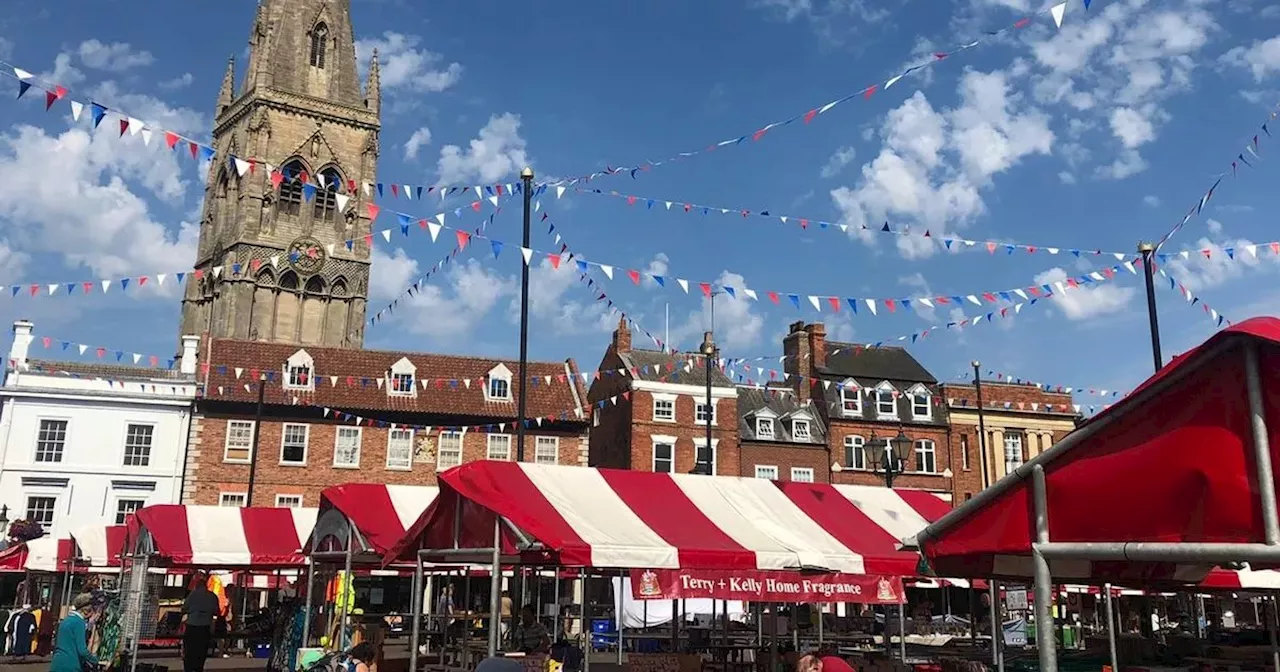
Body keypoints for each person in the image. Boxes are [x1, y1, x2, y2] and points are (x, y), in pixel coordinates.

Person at [181, 574, 220, 672]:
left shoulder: (192, 595)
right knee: (201, 652)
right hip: (205, 627)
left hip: (192, 625)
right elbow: (217, 611)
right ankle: (198, 668)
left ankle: (189, 668)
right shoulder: (212, 596)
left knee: (189, 651)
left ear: (197, 585)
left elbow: (184, 608)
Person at [50, 594, 98, 672]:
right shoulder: (79, 622)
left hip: (57, 662)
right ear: (86, 611)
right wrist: (95, 660)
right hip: (71, 664)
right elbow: (82, 650)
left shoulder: (65, 621)